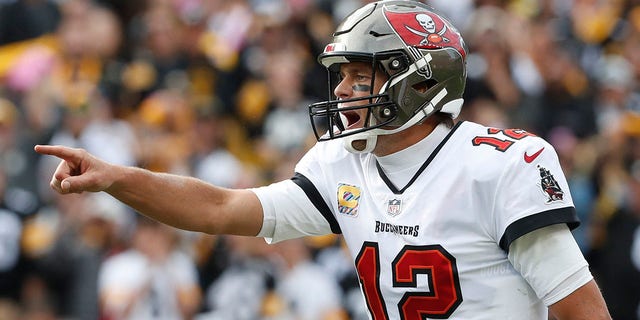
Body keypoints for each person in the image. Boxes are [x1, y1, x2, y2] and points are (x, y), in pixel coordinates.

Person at [35, 1, 611, 319]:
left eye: (363, 74)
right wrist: (117, 179)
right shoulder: (342, 164)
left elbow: (583, 313)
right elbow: (220, 208)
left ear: (422, 79)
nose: (342, 91)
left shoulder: (502, 164)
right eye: (342, 75)